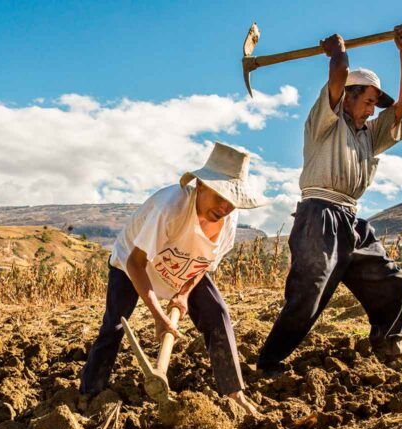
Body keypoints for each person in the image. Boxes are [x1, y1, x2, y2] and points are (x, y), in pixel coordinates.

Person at [257, 24, 402, 374]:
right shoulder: (325, 122)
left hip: (351, 219)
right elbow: (340, 72)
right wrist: (337, 53)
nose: (374, 111)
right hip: (319, 214)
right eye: (369, 101)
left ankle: (388, 346)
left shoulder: (369, 135)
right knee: (310, 291)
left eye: (376, 104)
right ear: (348, 96)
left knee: (391, 281)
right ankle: (269, 361)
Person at [80, 142, 266, 413]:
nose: (225, 207)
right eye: (219, 196)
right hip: (132, 265)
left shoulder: (229, 222)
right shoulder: (170, 207)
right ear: (201, 185)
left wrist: (183, 294)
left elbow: (203, 264)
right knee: (114, 325)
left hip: (182, 269)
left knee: (218, 313)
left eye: (232, 201)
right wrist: (158, 315)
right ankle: (90, 392)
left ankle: (234, 393)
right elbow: (136, 262)